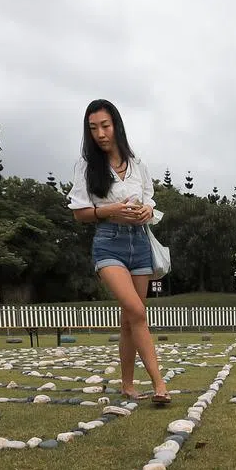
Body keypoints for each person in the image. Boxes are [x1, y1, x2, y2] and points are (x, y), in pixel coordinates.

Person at [67, 99, 170, 405]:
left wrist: (146, 210)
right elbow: (80, 213)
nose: (100, 133)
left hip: (139, 243)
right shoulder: (86, 167)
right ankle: (160, 384)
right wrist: (111, 210)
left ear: (117, 126)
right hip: (108, 243)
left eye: (105, 126)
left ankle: (127, 384)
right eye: (93, 128)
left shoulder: (138, 165)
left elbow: (149, 200)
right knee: (137, 312)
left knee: (129, 320)